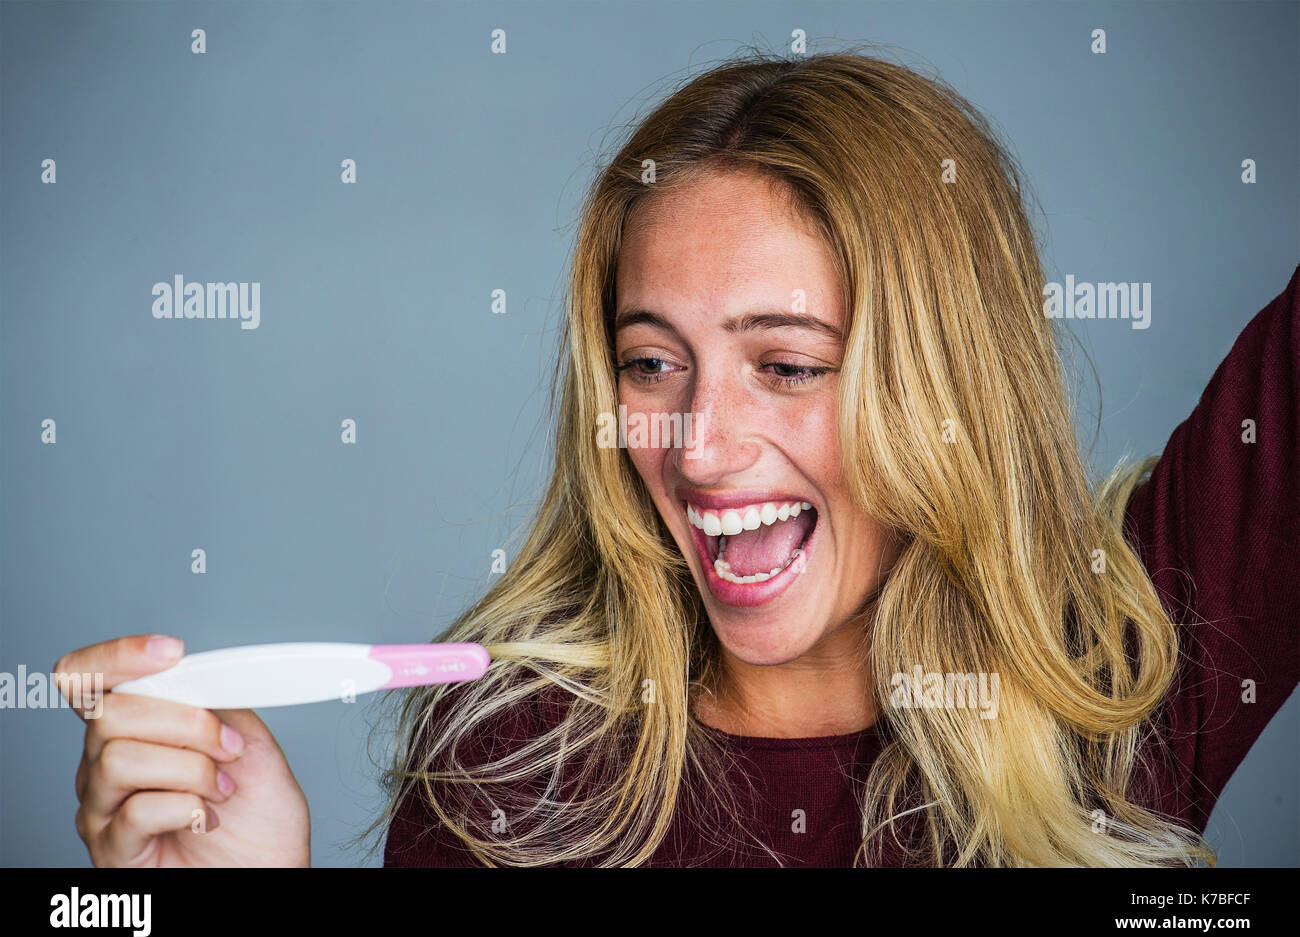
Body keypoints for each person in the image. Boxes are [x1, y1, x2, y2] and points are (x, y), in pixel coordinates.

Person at [58, 51, 1298, 868]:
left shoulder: (1122, 669)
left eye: (791, 364)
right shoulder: (513, 770)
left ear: (946, 387)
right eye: (652, 364)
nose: (695, 446)